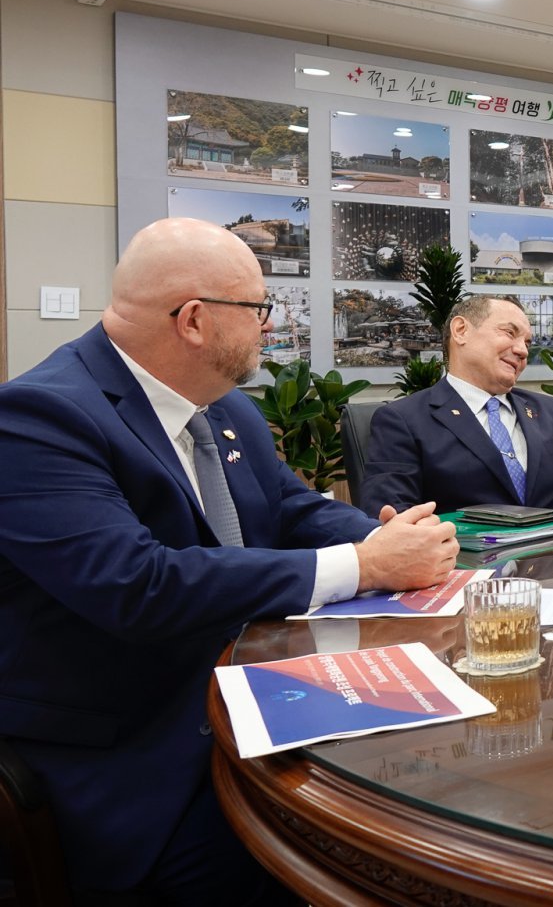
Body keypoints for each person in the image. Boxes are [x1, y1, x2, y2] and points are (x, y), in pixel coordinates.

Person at [0, 218, 459, 904]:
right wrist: (366, 567)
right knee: (357, 862)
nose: (271, 326)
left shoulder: (225, 410)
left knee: (415, 781)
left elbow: (291, 509)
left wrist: (390, 538)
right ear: (194, 320)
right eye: (259, 309)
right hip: (137, 757)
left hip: (252, 698)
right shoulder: (38, 418)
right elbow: (140, 586)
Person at [358, 295, 553, 516]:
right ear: (461, 331)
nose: (523, 351)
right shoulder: (403, 420)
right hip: (462, 557)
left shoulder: (551, 412)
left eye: (527, 343)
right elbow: (394, 519)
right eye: (510, 333)